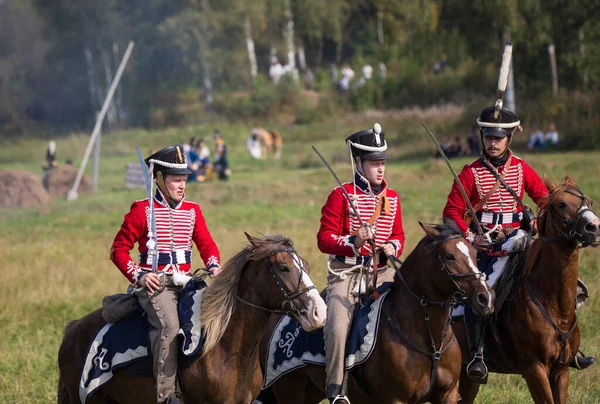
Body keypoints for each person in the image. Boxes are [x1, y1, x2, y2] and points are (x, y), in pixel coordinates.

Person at [442, 107, 595, 382]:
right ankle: (477, 354)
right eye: (489, 136)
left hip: (520, 240)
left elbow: (545, 201)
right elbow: (452, 213)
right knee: (482, 294)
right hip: (486, 247)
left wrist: (537, 222)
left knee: (559, 282)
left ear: (509, 138)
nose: (493, 142)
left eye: (499, 137)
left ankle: (570, 346)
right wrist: (475, 236)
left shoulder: (521, 168)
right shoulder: (470, 173)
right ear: (482, 137)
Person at [110, 145, 221, 404]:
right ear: (159, 180)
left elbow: (206, 243)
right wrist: (139, 276)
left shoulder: (193, 210)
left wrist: (214, 264)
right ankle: (167, 396)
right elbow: (119, 250)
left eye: (184, 180)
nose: (182, 186)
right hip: (156, 285)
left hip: (189, 281)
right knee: (169, 326)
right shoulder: (141, 210)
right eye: (175, 180)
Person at [317, 123, 405, 403]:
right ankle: (336, 387)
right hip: (348, 273)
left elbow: (399, 234)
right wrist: (353, 240)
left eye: (382, 163)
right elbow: (323, 239)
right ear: (360, 163)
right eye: (374, 163)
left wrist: (393, 245)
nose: (381, 169)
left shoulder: (392, 198)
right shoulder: (340, 194)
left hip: (383, 271)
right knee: (337, 325)